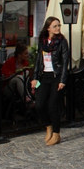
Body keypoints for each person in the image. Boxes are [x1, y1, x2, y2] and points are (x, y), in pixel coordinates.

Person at [31, 17, 69, 146]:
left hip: (56, 76)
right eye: (55, 26)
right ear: (48, 28)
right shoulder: (42, 42)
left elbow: (64, 62)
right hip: (44, 76)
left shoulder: (62, 41)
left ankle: (57, 133)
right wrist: (35, 77)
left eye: (59, 26)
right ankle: (48, 126)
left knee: (53, 105)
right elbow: (38, 60)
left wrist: (63, 80)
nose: (58, 28)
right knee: (39, 105)